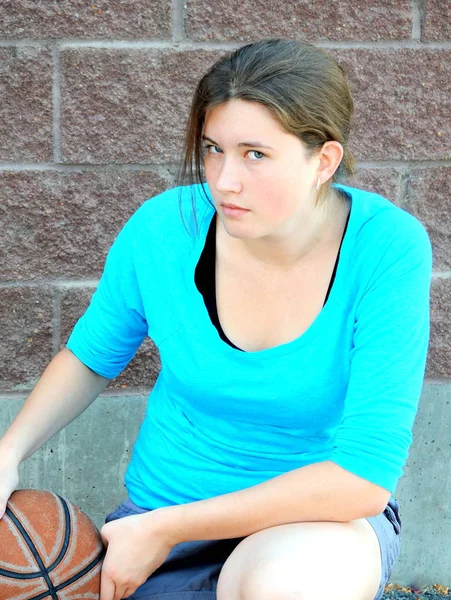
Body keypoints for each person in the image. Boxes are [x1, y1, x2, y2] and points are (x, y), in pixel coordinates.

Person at [0, 38, 431, 600]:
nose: (224, 180)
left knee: (284, 586)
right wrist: (7, 456)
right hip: (163, 510)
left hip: (311, 531)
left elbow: (364, 477)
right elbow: (90, 357)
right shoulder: (164, 229)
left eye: (256, 154)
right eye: (212, 149)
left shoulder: (386, 248)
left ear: (323, 161)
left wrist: (163, 530)